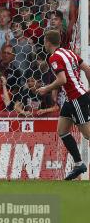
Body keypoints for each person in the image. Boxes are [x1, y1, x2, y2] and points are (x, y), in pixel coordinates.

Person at [37, 30, 90, 180]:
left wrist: (46, 89)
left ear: (48, 41)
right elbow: (87, 69)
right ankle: (79, 164)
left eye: (45, 41)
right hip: (71, 99)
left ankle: (79, 163)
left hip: (76, 98)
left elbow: (62, 80)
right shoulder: (69, 53)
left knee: (87, 134)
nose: (44, 44)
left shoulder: (54, 57)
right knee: (62, 130)